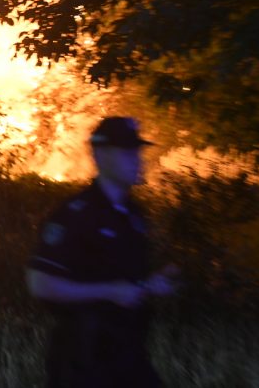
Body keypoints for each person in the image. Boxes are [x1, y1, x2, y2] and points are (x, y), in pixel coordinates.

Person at [26, 116, 178, 388]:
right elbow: (41, 283)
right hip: (84, 362)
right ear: (102, 156)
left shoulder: (134, 215)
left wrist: (150, 285)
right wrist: (108, 291)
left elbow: (124, 284)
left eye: (137, 151)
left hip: (128, 355)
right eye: (127, 152)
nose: (137, 159)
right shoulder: (76, 215)